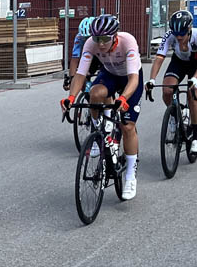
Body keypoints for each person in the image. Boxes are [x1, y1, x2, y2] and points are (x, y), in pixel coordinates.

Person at [61, 15, 143, 200]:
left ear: (115, 36)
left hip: (130, 77)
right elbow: (80, 74)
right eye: (97, 39)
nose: (100, 43)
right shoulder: (91, 43)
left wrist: (122, 98)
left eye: (105, 39)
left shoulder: (128, 41)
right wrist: (71, 98)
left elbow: (134, 79)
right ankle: (99, 130)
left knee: (127, 126)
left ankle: (130, 174)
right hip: (110, 74)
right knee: (95, 94)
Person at [146, 10, 197, 161]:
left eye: (182, 33)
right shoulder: (170, 35)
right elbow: (159, 58)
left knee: (193, 96)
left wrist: (195, 78)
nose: (179, 37)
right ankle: (176, 115)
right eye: (176, 33)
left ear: (189, 29)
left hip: (196, 64)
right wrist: (152, 79)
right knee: (167, 91)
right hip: (178, 62)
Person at [63, 16, 100, 91]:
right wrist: (71, 79)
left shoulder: (100, 37)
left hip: (102, 58)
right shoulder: (79, 37)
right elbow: (74, 60)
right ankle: (86, 93)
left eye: (89, 38)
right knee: (80, 79)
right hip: (89, 57)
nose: (87, 41)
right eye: (85, 38)